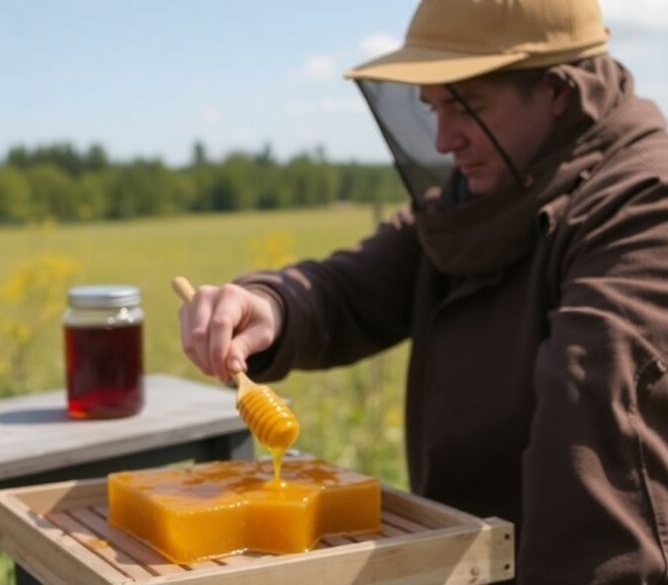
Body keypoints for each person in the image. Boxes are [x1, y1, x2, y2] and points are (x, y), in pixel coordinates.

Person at [176, 0, 668, 582]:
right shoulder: (480, 196)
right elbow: (349, 286)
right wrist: (270, 304)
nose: (442, 141)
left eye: (466, 107)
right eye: (431, 109)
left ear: (558, 90)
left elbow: (596, 431)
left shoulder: (642, 208)